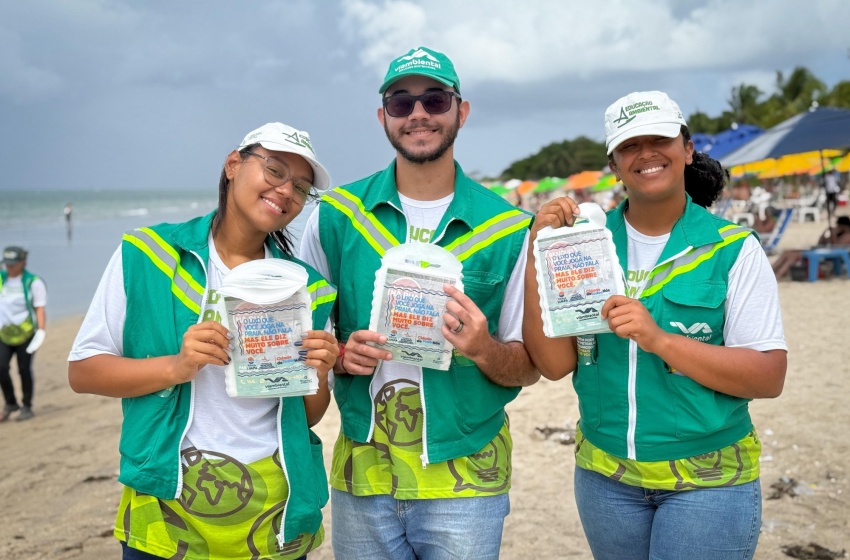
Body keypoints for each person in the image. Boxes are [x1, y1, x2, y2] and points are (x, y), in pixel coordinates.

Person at [522, 91, 788, 560]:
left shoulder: (733, 250)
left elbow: (768, 375)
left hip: (709, 483)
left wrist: (660, 339)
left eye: (659, 139)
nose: (645, 153)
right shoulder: (582, 246)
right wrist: (538, 249)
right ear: (614, 164)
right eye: (629, 145)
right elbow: (554, 364)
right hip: (606, 480)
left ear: (687, 149)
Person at [300, 46, 537, 559]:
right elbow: (302, 341)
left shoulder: (510, 229)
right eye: (401, 103)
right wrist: (341, 355)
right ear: (383, 115)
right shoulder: (336, 215)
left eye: (435, 99)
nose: (419, 114)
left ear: (461, 111)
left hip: (467, 475)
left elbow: (529, 367)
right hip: (364, 473)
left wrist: (482, 348)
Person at [68, 122, 339, 560]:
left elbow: (307, 416)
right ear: (233, 165)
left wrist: (320, 373)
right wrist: (176, 366)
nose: (286, 191)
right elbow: (83, 372)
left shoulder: (306, 287)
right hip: (166, 508)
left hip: (275, 513)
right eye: (274, 170)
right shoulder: (148, 255)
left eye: (302, 187)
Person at [0, 246, 47, 422]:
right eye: (7, 264)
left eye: (13, 264)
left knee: (24, 369)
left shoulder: (32, 282)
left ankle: (27, 405)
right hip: (4, 334)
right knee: (1, 368)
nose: (10, 267)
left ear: (22, 262)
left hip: (27, 334)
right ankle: (10, 403)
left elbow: (39, 308)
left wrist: (41, 331)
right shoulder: (1, 279)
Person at [772, 215, 850, 279]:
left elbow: (836, 246)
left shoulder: (847, 235)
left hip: (831, 254)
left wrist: (834, 234)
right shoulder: (839, 234)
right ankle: (771, 270)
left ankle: (778, 274)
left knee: (793, 256)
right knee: (788, 252)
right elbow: (820, 242)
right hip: (822, 250)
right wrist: (825, 231)